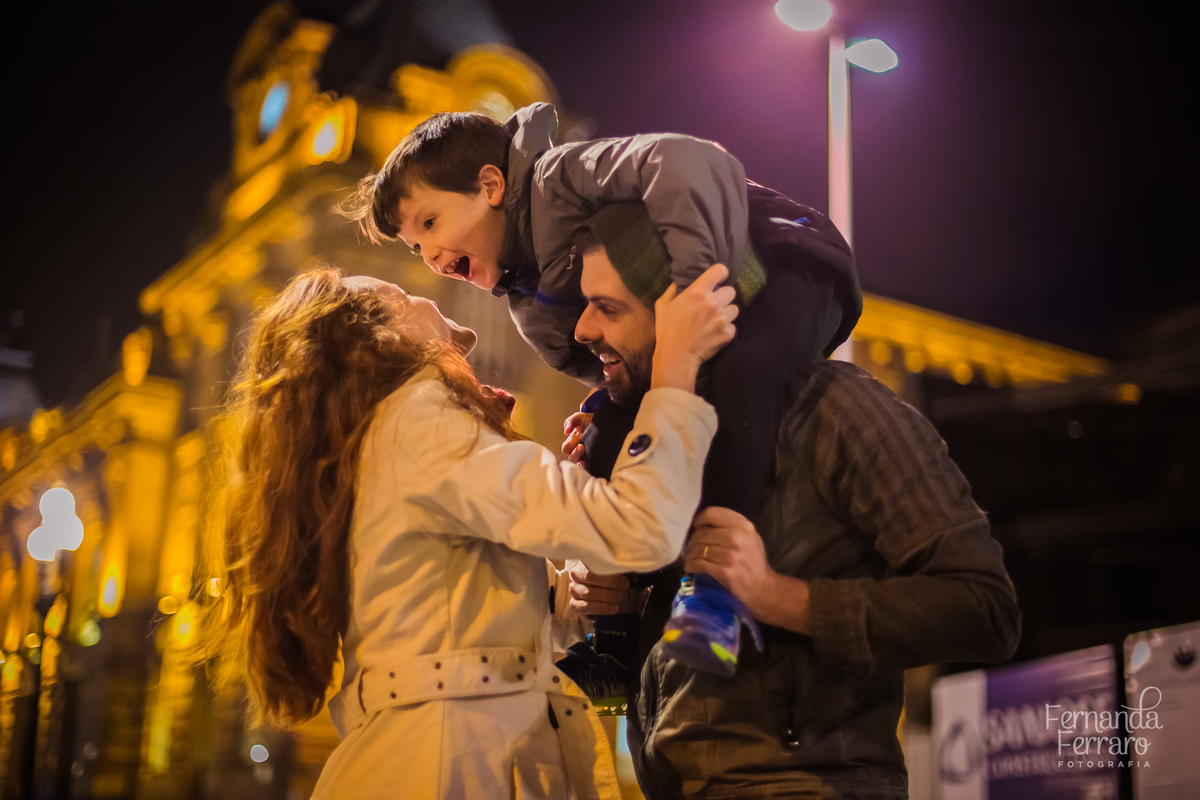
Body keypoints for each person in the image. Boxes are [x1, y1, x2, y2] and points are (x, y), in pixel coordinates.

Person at [343, 103, 859, 676]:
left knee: (747, 373)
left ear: (491, 185)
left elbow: (688, 159)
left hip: (785, 260)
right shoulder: (529, 308)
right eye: (415, 248)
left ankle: (715, 593)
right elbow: (619, 377)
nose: (433, 260)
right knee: (606, 439)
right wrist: (608, 407)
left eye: (431, 225)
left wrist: (690, 292)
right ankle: (613, 639)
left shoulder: (557, 179)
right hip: (697, 324)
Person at [205, 265, 738, 799]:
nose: (468, 333)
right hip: (453, 764)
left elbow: (471, 605)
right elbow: (639, 527)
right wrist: (676, 368)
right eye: (406, 293)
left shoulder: (379, 444)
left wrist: (575, 588)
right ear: (370, 340)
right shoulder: (418, 419)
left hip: (432, 755)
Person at [564, 208, 1023, 799]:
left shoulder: (836, 410)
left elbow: (987, 609)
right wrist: (619, 613)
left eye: (608, 307)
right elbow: (667, 701)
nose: (581, 329)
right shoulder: (661, 448)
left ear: (680, 311)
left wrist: (780, 598)